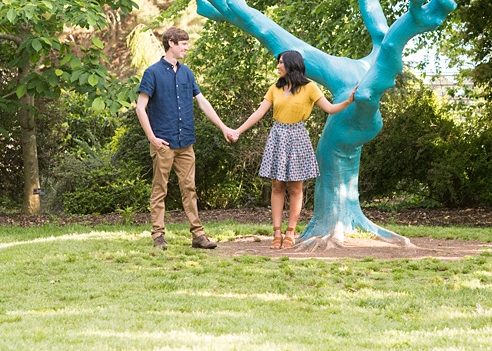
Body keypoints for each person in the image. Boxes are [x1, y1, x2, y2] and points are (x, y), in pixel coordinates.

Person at [232, 50, 355, 249]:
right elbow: (259, 113)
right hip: (278, 136)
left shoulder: (310, 88)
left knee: (296, 188)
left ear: (291, 65)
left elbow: (330, 109)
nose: (278, 66)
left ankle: (291, 232)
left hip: (298, 137)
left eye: (281, 63)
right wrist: (238, 130)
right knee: (277, 185)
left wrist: (349, 101)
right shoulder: (275, 88)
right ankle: (277, 233)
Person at [136, 26, 232, 250]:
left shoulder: (187, 73)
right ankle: (158, 236)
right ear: (171, 43)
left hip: (186, 142)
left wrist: (223, 127)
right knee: (160, 190)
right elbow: (141, 108)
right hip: (164, 143)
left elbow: (202, 102)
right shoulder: (152, 73)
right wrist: (152, 138)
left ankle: (198, 236)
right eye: (183, 44)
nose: (186, 48)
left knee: (190, 189)